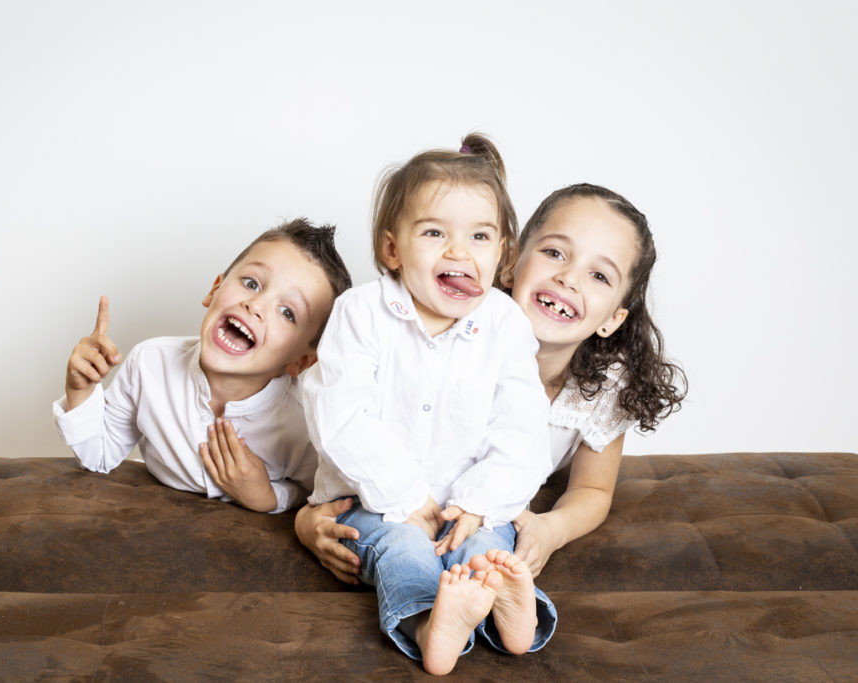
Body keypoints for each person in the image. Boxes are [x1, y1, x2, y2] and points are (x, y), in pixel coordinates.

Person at [296, 183, 686, 581]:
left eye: (600, 275)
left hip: (474, 513)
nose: (569, 278)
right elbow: (340, 431)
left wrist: (550, 531)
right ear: (510, 260)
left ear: (613, 319)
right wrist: (306, 521)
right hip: (391, 494)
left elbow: (593, 491)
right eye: (554, 253)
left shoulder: (605, 387)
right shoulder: (433, 327)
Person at [300, 134, 556, 676]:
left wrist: (481, 503)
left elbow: (524, 429)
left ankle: (512, 610)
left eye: (480, 236)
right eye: (435, 233)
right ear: (392, 249)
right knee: (402, 551)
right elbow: (341, 416)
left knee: (489, 551)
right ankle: (427, 624)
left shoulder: (505, 324)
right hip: (376, 504)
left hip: (470, 508)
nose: (459, 252)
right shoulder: (360, 313)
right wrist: (402, 496)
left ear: (503, 252)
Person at [52, 218, 352, 513]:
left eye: (287, 312)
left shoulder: (305, 420)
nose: (256, 305)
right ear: (215, 289)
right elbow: (98, 455)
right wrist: (81, 389)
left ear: (301, 361)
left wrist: (268, 496)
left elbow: (316, 491)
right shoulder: (149, 363)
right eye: (251, 283)